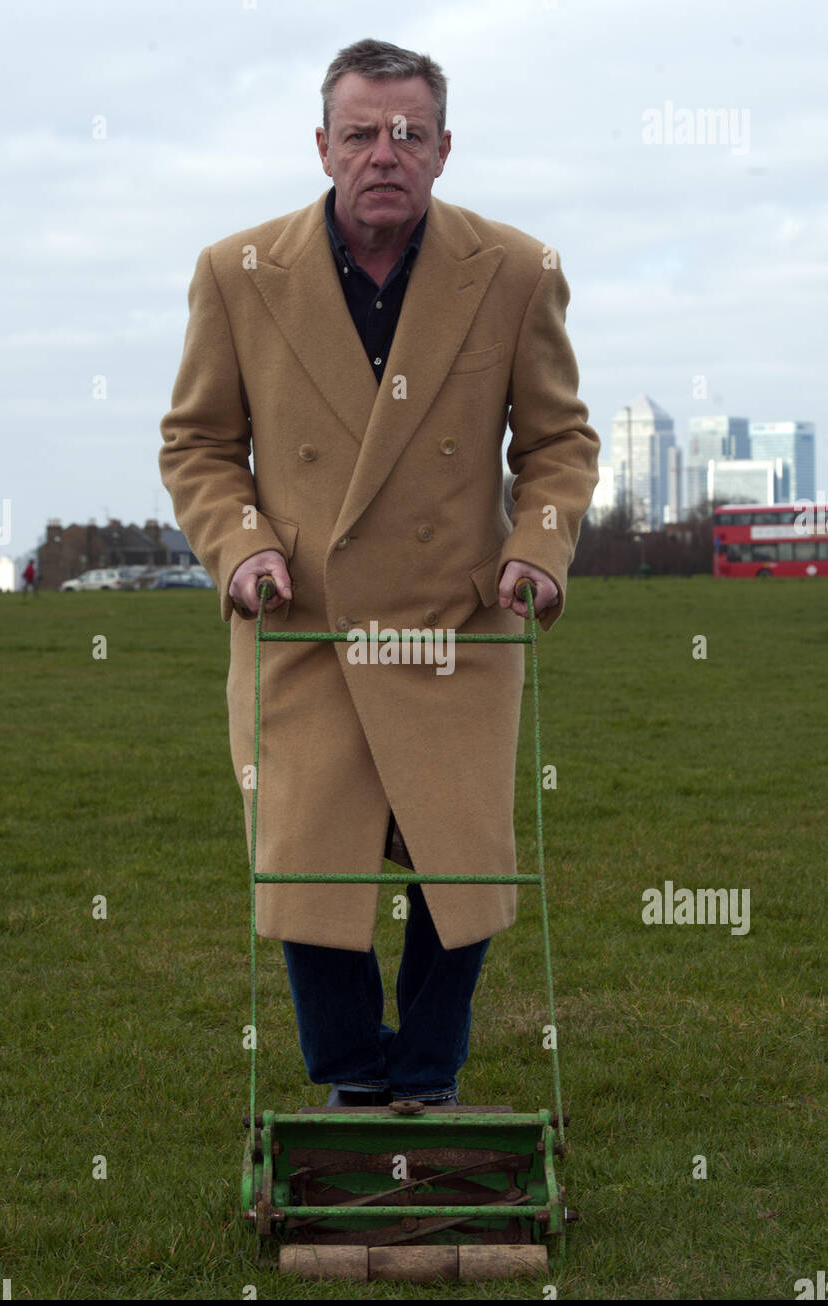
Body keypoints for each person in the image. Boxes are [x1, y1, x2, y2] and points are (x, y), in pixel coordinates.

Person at [159, 39, 600, 1109]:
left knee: (462, 867)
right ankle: (356, 1083)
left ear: (444, 148)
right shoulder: (236, 274)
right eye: (359, 132)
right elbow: (198, 445)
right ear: (322, 144)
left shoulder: (515, 271)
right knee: (311, 866)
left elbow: (557, 444)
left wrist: (536, 550)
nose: (383, 153)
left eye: (407, 133)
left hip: (454, 627)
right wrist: (242, 544)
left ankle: (432, 1075)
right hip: (301, 626)